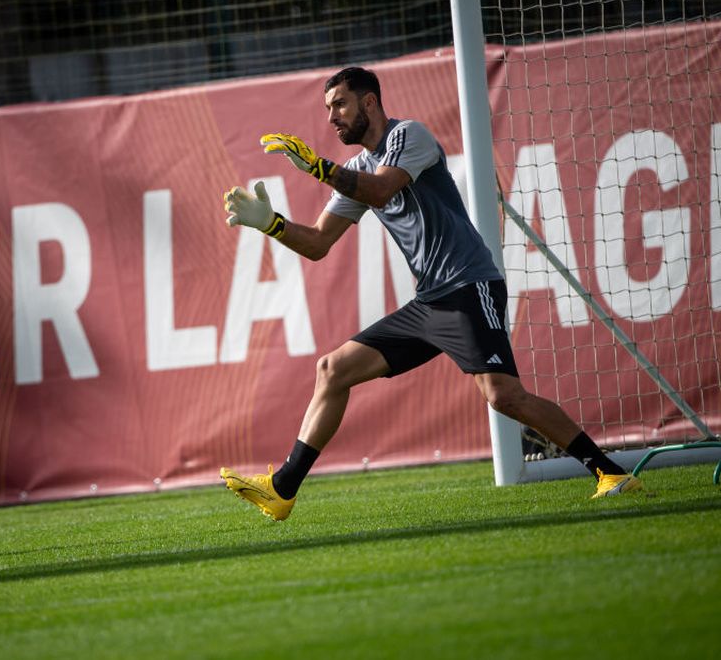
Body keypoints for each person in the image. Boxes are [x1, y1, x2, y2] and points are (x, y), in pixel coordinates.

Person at [219, 66, 642, 521]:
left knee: (503, 396)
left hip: (469, 286)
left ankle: (610, 472)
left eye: (339, 104)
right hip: (430, 302)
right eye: (327, 108)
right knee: (333, 369)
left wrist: (319, 168)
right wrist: (271, 224)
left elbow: (382, 190)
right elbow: (319, 243)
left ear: (369, 103)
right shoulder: (358, 168)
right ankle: (283, 489)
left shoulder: (409, 136)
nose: (331, 118)